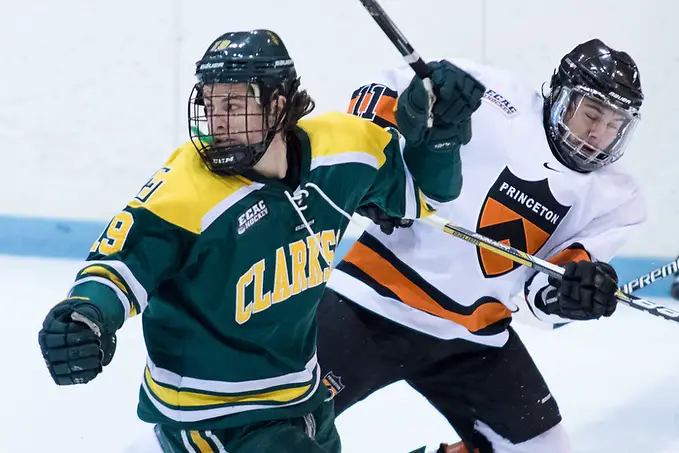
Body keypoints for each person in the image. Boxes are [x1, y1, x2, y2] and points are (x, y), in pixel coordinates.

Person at [37, 29, 485, 453]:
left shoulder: (343, 147)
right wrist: (87, 316)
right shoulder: (184, 190)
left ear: (278, 105)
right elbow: (117, 266)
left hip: (302, 395)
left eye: (234, 104)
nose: (218, 121)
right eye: (211, 105)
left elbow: (422, 193)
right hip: (210, 416)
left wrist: (438, 134)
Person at [316, 38, 646, 453]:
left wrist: (572, 296)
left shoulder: (620, 200)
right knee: (280, 429)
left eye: (614, 124)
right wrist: (396, 145)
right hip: (371, 302)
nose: (599, 133)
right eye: (591, 114)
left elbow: (539, 296)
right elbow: (373, 97)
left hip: (474, 339)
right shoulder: (487, 95)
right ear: (560, 98)